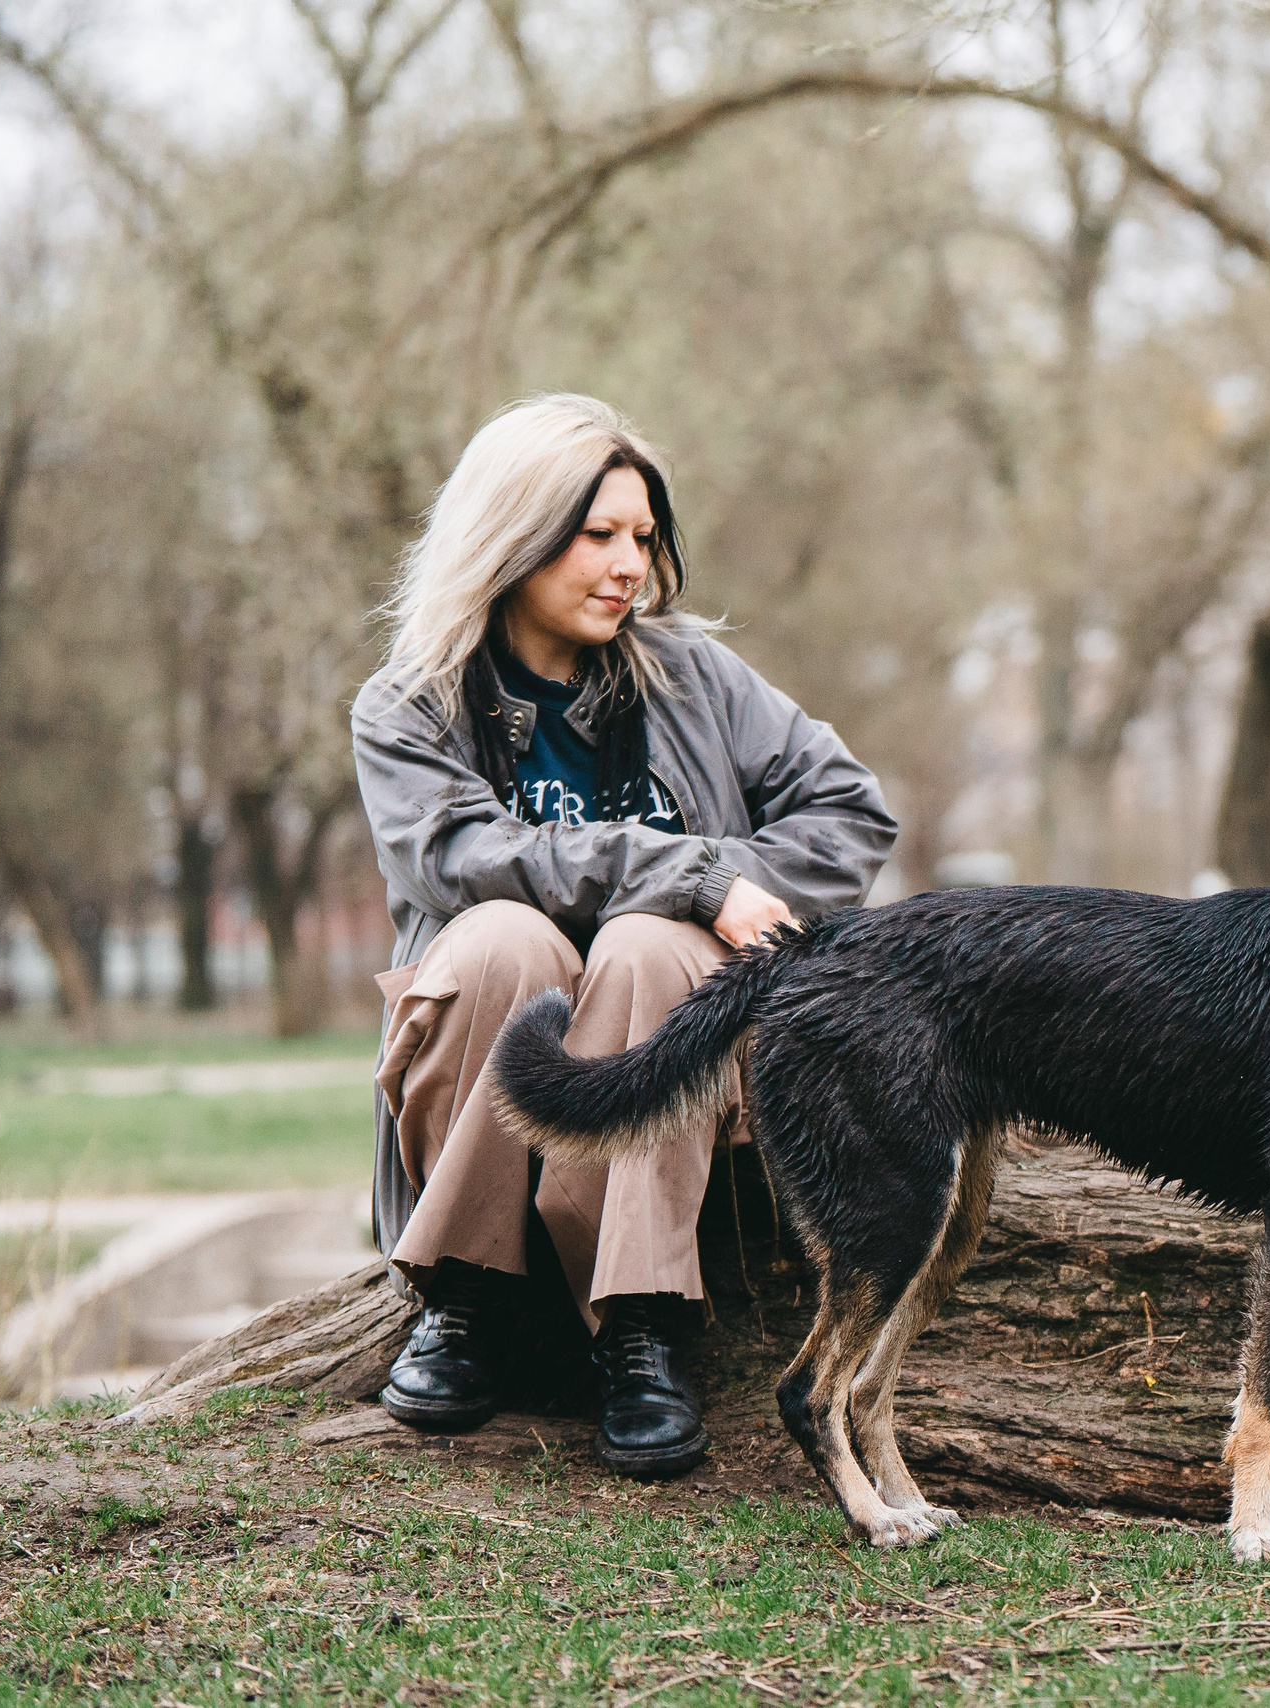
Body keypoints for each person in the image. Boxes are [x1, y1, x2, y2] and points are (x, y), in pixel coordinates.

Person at [350, 394, 895, 1478]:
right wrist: (694, 871)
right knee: (503, 935)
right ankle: (465, 1297)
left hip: (674, 1050)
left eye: (642, 537)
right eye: (596, 533)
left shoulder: (692, 676)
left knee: (647, 948)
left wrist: (713, 895)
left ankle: (640, 1324)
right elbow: (458, 859)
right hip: (496, 1048)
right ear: (514, 532)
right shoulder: (408, 705)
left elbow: (852, 812)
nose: (627, 564)